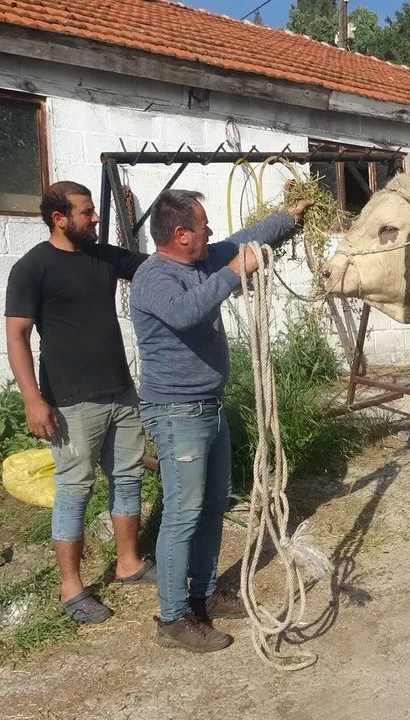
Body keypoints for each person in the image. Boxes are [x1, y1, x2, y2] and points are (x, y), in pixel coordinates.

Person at [129, 188, 313, 654]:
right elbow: (186, 313)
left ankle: (204, 590)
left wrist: (289, 216)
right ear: (179, 233)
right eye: (203, 225)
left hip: (207, 405)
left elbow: (245, 239)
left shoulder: (203, 259)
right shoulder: (153, 277)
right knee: (182, 514)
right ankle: (172, 619)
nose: (211, 232)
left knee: (213, 505)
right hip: (175, 411)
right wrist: (234, 273)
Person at [4, 180, 157, 625]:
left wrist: (216, 252)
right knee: (75, 489)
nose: (95, 218)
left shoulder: (102, 256)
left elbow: (157, 268)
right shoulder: (32, 268)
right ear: (59, 218)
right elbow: (17, 336)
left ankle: (127, 563)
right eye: (87, 212)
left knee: (127, 477)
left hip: (120, 390)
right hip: (70, 400)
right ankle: (71, 589)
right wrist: (33, 400)